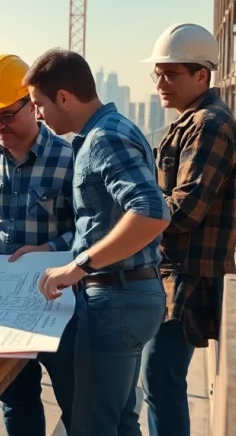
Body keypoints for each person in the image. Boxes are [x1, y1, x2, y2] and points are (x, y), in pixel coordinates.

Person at [26, 49, 170, 436]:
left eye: (39, 104)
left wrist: (78, 266)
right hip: (131, 294)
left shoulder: (103, 139)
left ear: (64, 97)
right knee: (120, 420)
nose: (37, 115)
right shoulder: (117, 127)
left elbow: (152, 211)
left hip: (115, 300)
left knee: (92, 426)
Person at [0, 53, 77, 435]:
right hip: (3, 307)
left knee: (77, 402)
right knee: (17, 403)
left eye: (7, 115)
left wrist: (50, 249)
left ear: (32, 106)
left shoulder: (69, 159)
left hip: (59, 305)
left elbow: (90, 229)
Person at [139, 24, 236, 436]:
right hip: (176, 271)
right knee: (160, 381)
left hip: (188, 276)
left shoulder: (208, 125)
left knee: (161, 379)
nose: (160, 84)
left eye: (171, 74)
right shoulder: (192, 121)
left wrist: (132, 212)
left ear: (202, 75)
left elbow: (184, 210)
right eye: (158, 74)